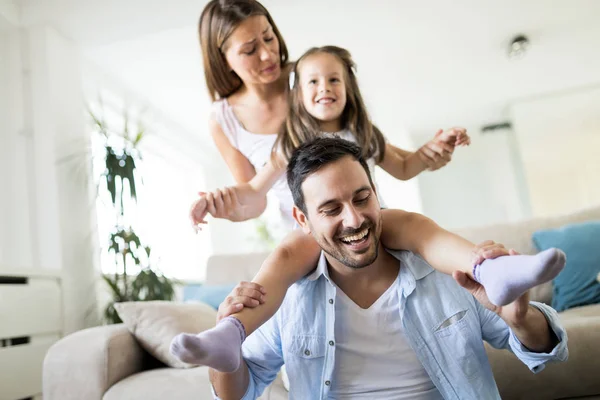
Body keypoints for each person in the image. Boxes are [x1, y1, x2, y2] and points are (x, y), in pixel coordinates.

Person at [170, 44, 565, 373]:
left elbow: (407, 165)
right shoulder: (289, 141)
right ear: (297, 94)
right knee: (286, 254)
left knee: (415, 224)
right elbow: (253, 192)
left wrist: (435, 149)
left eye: (334, 79)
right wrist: (217, 202)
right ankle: (231, 334)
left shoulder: (364, 133)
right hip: (314, 237)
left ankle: (489, 269)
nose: (324, 88)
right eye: (313, 82)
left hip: (378, 224)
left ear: (349, 87)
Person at [208, 137, 568, 399]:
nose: (354, 219)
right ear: (302, 219)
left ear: (376, 192)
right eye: (331, 209)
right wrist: (224, 350)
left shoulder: (448, 273)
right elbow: (237, 392)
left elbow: (547, 350)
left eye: (362, 198)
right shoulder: (289, 297)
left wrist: (519, 319)